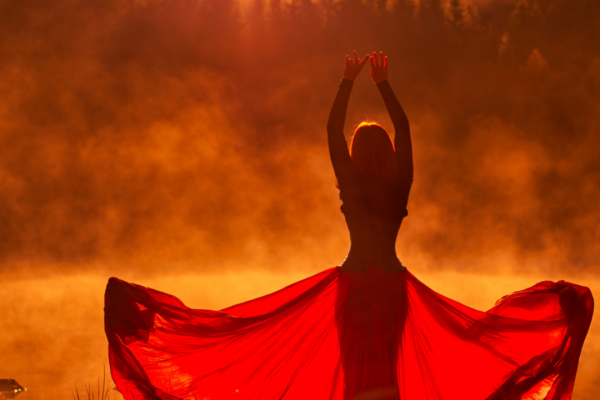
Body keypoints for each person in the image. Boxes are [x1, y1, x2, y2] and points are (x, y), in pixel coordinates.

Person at [104, 52, 593, 400]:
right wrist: (383, 85)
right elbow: (403, 130)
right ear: (391, 156)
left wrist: (347, 80)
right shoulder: (399, 185)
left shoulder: (352, 185)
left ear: (357, 156)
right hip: (394, 287)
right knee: (387, 374)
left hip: (353, 288)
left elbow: (330, 130)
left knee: (358, 376)